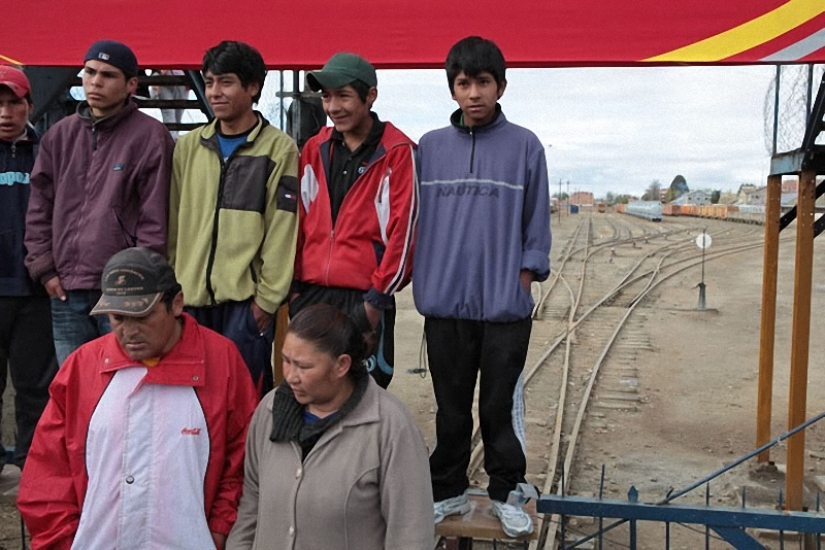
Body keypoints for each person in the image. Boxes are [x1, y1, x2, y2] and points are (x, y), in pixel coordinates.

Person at [18, 247, 258, 550]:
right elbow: (47, 472)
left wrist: (220, 529)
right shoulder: (81, 367)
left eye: (142, 316)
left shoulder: (222, 361)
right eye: (118, 318)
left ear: (177, 303)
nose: (129, 331)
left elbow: (243, 460)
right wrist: (63, 542)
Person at [413, 36, 551, 539]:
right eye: (463, 83)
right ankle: (446, 490)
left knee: (498, 409)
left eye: (484, 83)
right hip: (444, 304)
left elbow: (537, 220)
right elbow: (412, 219)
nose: (474, 93)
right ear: (452, 89)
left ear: (501, 87)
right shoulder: (429, 148)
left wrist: (525, 275)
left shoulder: (526, 146)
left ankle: (507, 493)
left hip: (504, 308)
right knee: (450, 408)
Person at [226, 304, 433, 550]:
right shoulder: (269, 411)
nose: (291, 376)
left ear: (341, 365)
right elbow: (251, 503)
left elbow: (411, 533)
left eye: (304, 367)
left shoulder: (391, 428)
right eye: (286, 361)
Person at [25, 39, 174, 366]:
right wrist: (44, 268)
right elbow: (38, 208)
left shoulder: (151, 136)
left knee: (125, 384)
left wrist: (138, 280)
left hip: (124, 294)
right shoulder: (59, 136)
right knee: (75, 384)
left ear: (131, 85)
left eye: (108, 75)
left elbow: (155, 216)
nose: (95, 82)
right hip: (65, 289)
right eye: (90, 72)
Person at [169, 41, 299, 398]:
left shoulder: (279, 149)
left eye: (225, 82)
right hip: (189, 303)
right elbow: (173, 224)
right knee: (191, 403)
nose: (214, 92)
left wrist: (265, 303)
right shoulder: (187, 147)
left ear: (252, 87)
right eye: (209, 82)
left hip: (245, 306)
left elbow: (282, 230)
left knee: (242, 402)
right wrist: (173, 287)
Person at [291, 52, 418, 389]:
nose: (333, 107)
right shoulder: (314, 148)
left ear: (370, 95)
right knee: (307, 390)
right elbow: (296, 224)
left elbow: (404, 235)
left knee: (363, 395)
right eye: (327, 97)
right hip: (311, 296)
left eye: (343, 96)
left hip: (365, 297)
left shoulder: (398, 152)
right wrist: (294, 291)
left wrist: (375, 302)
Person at [0, 66, 58, 474]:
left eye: (13, 103)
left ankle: (29, 465)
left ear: (30, 106)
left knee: (35, 386)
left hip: (34, 288)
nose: (5, 112)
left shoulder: (48, 152)